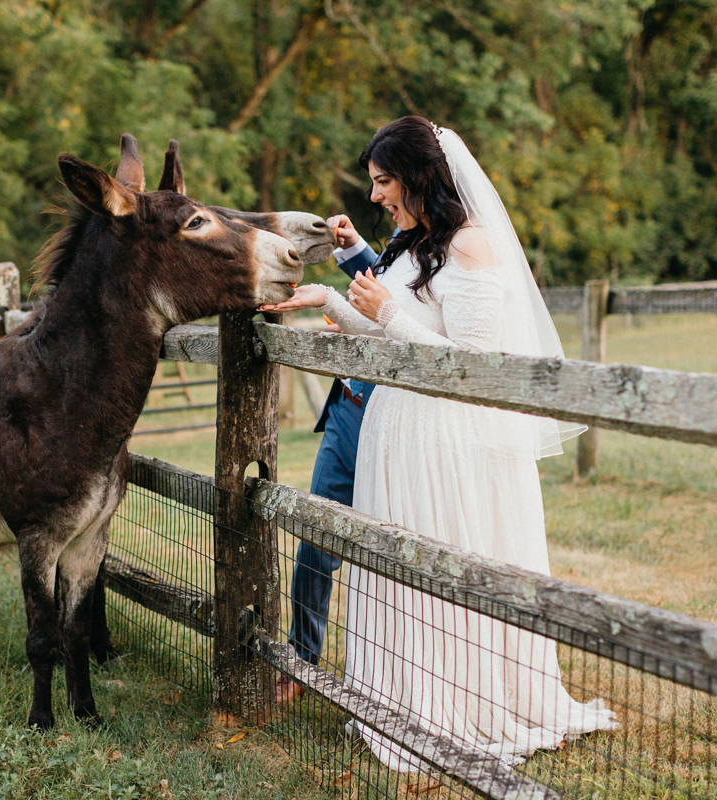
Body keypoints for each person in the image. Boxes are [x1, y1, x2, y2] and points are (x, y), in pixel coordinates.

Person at [262, 116, 616, 770]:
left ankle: (464, 699)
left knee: (442, 563)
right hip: (400, 435)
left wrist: (385, 314)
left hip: (449, 438)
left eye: (383, 181)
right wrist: (334, 303)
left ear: (421, 177)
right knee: (396, 563)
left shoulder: (473, 247)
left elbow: (473, 365)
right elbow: (388, 336)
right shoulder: (417, 243)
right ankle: (402, 695)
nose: (374, 197)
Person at [278, 224, 383, 702]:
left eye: (384, 181)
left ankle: (395, 674)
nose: (376, 194)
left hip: (395, 423)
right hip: (347, 408)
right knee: (317, 539)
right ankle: (301, 661)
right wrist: (356, 250)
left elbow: (400, 299)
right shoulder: (403, 231)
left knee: (393, 550)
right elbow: (386, 281)